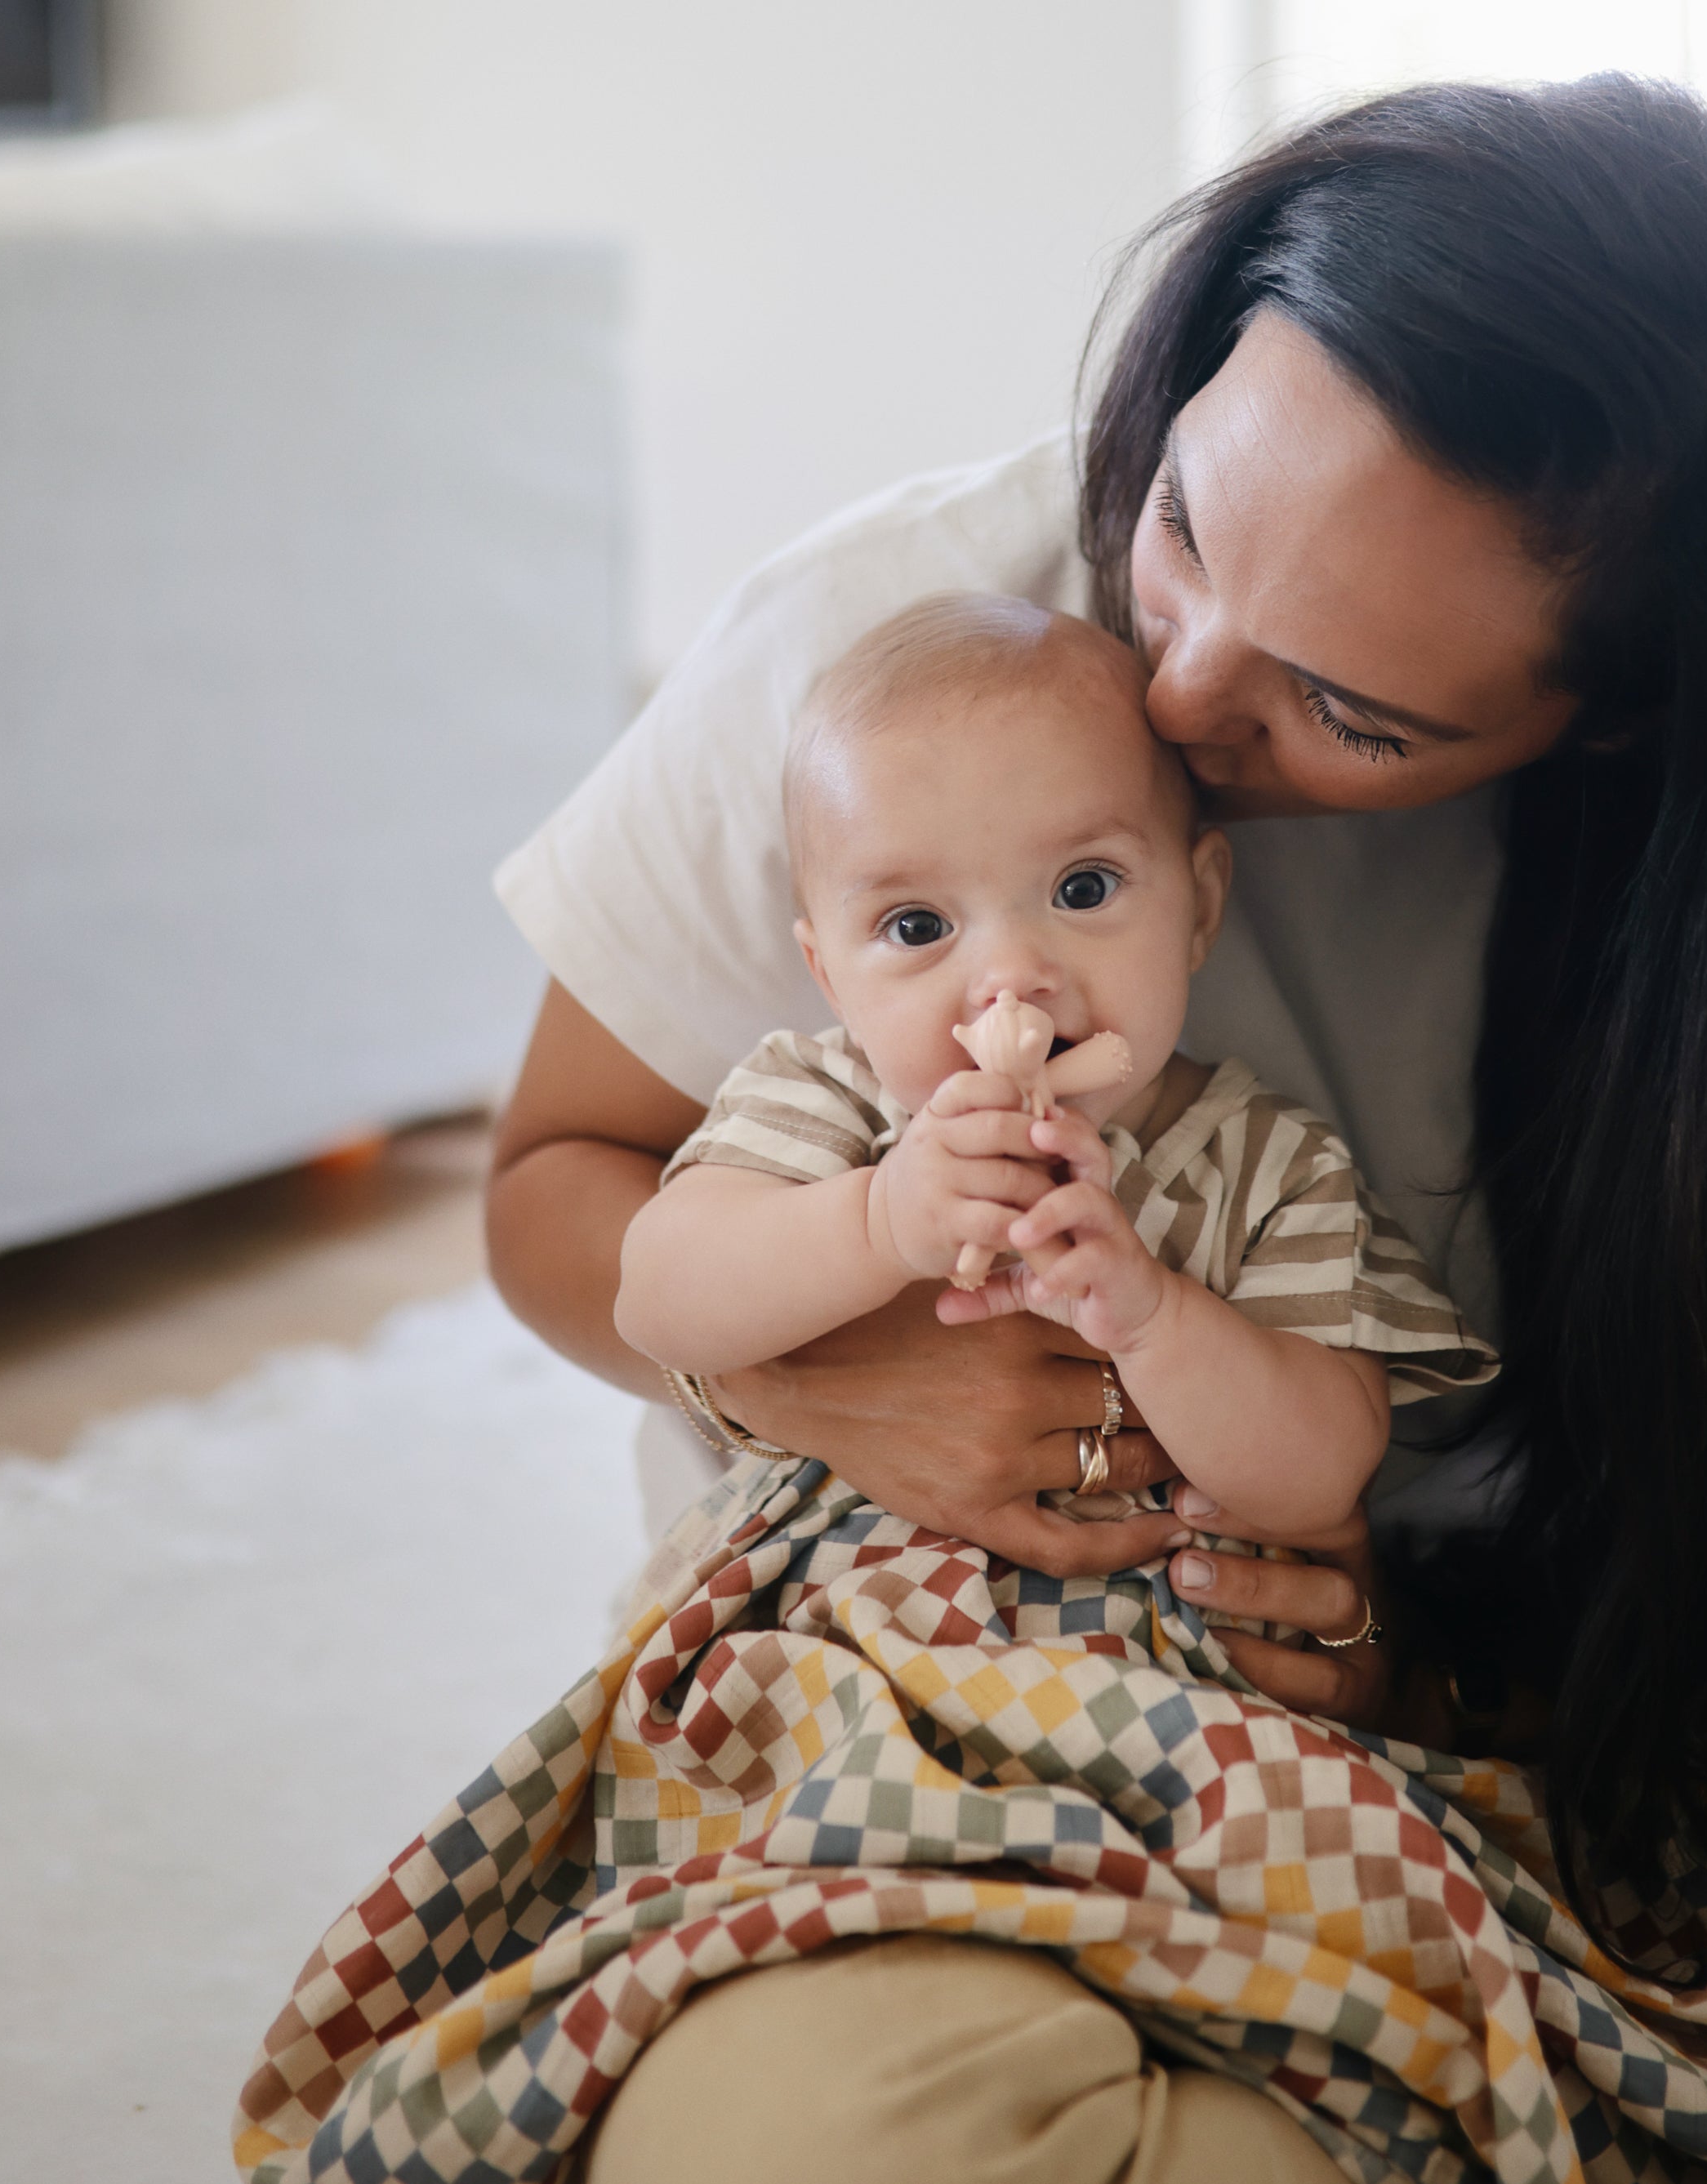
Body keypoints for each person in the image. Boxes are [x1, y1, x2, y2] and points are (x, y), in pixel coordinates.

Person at [246, 74, 1707, 2184]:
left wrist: (1438, 1657)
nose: (1181, 693)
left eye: (1351, 711)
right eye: (1193, 520)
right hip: (894, 1792)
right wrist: (831, 1378)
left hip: (1479, 1793)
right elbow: (555, 1180)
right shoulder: (889, 669)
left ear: (1612, 727)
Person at [618, 591, 1494, 1565]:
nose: (1011, 974)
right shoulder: (829, 1098)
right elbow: (655, 1300)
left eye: (1083, 888)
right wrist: (879, 1222)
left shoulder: (1269, 1167)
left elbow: (1321, 1480)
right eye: (917, 926)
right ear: (828, 973)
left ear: (1200, 907)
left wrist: (1158, 1319)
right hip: (836, 1619)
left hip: (1147, 1662)